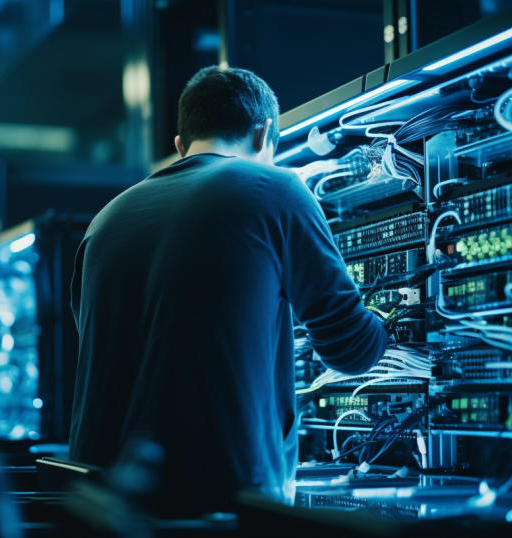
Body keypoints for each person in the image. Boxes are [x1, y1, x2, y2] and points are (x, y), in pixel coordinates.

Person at [69, 66, 390, 514]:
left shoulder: (104, 221)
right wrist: (396, 308)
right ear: (264, 136)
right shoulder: (277, 190)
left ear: (180, 147)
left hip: (103, 508)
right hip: (221, 506)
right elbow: (352, 351)